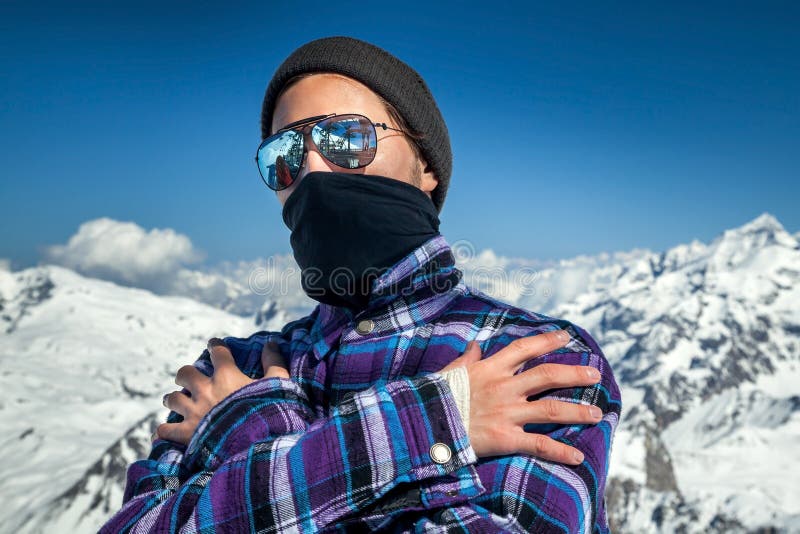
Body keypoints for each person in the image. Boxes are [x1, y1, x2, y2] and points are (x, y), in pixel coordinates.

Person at [101, 36, 621, 533]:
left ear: (426, 167)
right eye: (283, 156)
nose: (311, 170)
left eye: (347, 138)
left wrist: (254, 431)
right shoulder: (234, 365)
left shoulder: (531, 357)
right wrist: (432, 422)